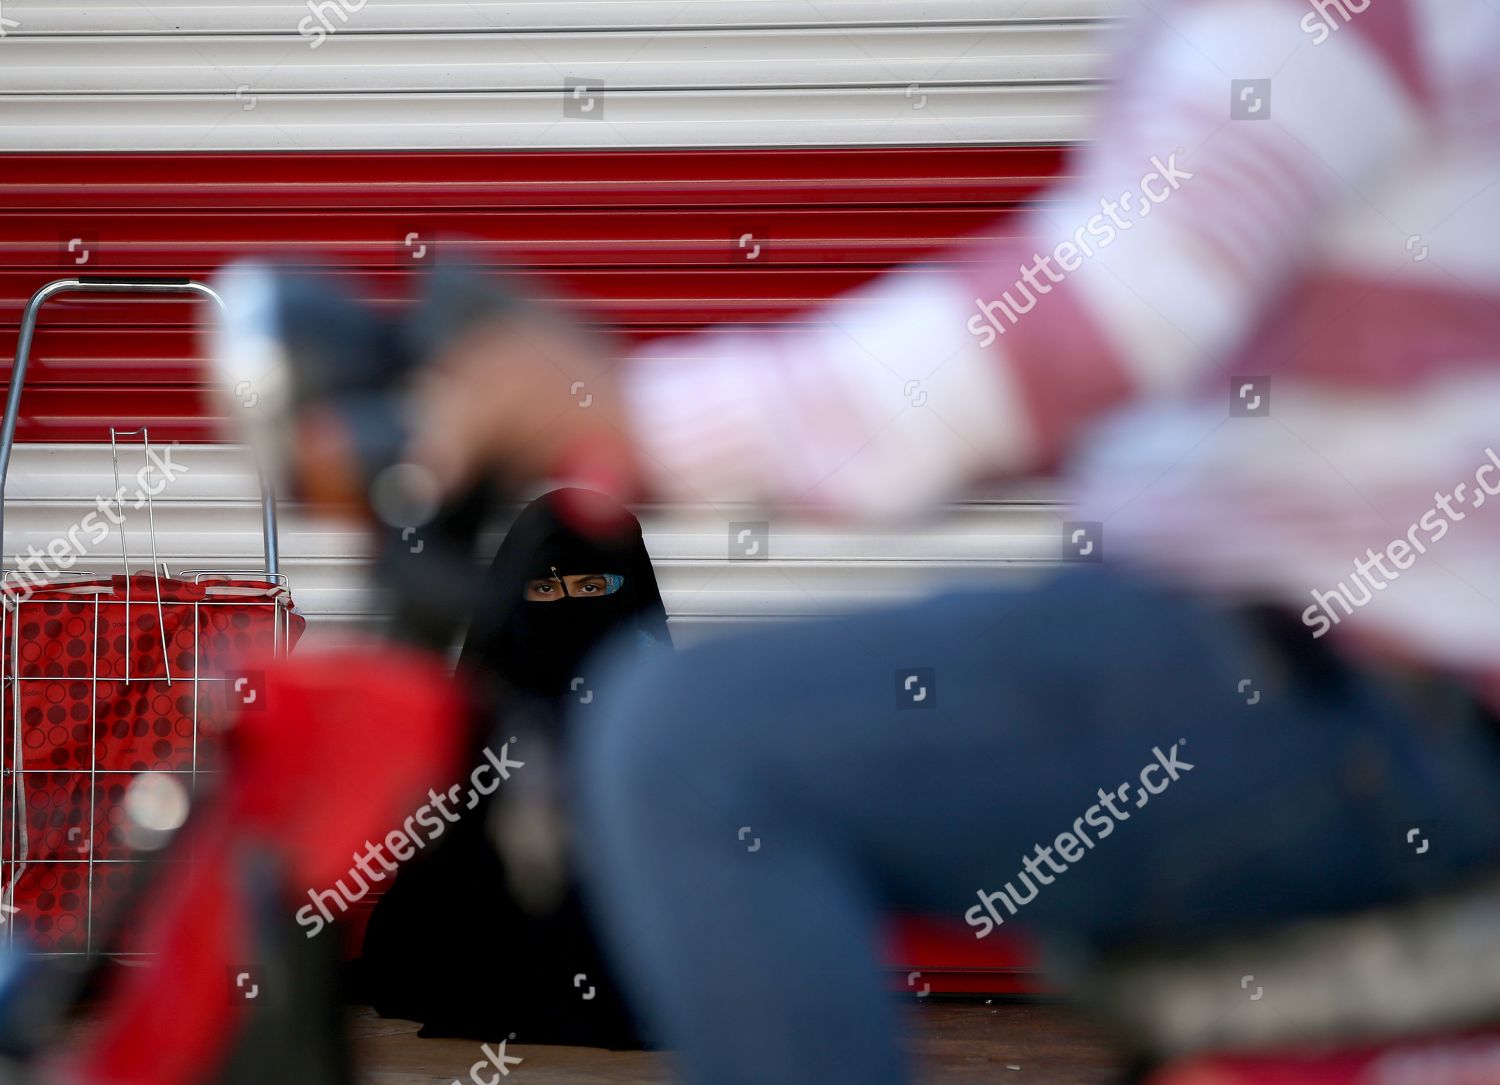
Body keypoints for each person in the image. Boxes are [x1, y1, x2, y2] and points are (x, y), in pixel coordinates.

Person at [408, 1, 1500, 1081]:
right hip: (1314, 673)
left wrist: (647, 415)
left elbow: (1101, 313)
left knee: (695, 745)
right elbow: (1117, 374)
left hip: (1361, 689)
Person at [359, 488, 670, 1048]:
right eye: (545, 588)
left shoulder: (674, 732)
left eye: (593, 587)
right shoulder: (478, 737)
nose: (570, 606)